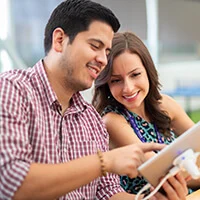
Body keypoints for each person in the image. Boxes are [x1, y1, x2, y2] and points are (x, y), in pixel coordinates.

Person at [0, 0, 188, 199]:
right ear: (59, 40)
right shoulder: (12, 89)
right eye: (95, 46)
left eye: (106, 52)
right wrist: (104, 162)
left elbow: (108, 193)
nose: (103, 60)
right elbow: (10, 180)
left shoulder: (91, 120)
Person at [92, 31, 197, 195]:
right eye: (116, 80)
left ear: (148, 71)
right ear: (106, 83)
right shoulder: (112, 120)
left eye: (135, 75)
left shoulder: (165, 104)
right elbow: (160, 173)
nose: (128, 88)